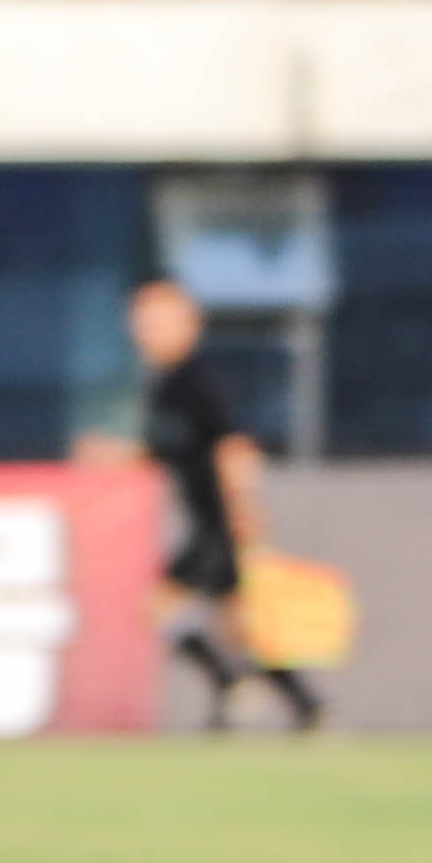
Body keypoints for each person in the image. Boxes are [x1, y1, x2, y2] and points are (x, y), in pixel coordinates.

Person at [131, 278, 320, 731]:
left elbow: (233, 446)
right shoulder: (165, 385)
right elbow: (165, 452)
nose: (145, 332)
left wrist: (244, 507)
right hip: (203, 522)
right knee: (238, 628)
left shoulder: (199, 378)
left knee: (164, 607)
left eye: (156, 321)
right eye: (140, 323)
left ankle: (233, 686)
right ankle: (305, 707)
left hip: (218, 524)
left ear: (188, 323)